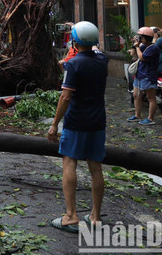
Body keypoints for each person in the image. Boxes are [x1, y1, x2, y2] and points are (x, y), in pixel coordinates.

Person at [47, 21, 107, 232]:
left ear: (74, 40)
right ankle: (96, 217)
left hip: (77, 121)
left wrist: (54, 124)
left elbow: (65, 96)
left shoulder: (73, 64)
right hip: (98, 120)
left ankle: (71, 216)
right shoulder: (102, 60)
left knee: (69, 162)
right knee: (95, 167)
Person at [129, 26, 160, 125]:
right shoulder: (144, 46)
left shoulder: (153, 48)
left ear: (146, 38)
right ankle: (137, 115)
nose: (140, 39)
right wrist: (135, 44)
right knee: (136, 95)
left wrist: (137, 47)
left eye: (141, 37)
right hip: (139, 74)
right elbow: (134, 54)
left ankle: (150, 119)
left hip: (148, 75)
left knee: (151, 97)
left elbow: (142, 57)